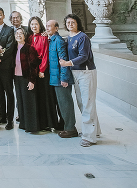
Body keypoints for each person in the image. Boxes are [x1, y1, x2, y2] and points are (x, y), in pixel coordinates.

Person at [59, 14, 101, 147]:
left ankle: (89, 137)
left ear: (78, 23)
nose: (70, 24)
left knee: (87, 102)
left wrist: (67, 63)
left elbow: (83, 56)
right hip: (75, 73)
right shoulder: (69, 38)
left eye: (73, 22)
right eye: (68, 22)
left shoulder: (83, 37)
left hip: (86, 72)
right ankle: (96, 131)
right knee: (82, 102)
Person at [28, 16, 62, 131]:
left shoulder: (44, 38)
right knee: (37, 98)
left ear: (40, 25)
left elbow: (46, 54)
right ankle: (40, 123)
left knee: (46, 97)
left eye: (36, 24)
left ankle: (50, 123)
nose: (34, 26)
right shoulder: (29, 37)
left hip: (43, 71)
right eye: (32, 24)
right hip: (33, 71)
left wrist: (42, 70)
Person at [46, 20, 78, 139]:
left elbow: (63, 60)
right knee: (61, 103)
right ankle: (65, 124)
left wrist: (64, 78)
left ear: (56, 28)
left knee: (65, 103)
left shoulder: (58, 41)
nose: (47, 28)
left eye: (50, 26)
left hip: (61, 78)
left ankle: (71, 128)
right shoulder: (52, 40)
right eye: (47, 26)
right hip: (55, 78)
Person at [13, 27, 41, 133]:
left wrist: (32, 80)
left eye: (21, 33)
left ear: (25, 36)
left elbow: (34, 65)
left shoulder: (29, 48)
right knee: (20, 101)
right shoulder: (14, 48)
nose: (19, 35)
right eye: (17, 33)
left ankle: (32, 126)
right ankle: (23, 124)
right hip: (17, 77)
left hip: (27, 78)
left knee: (29, 101)